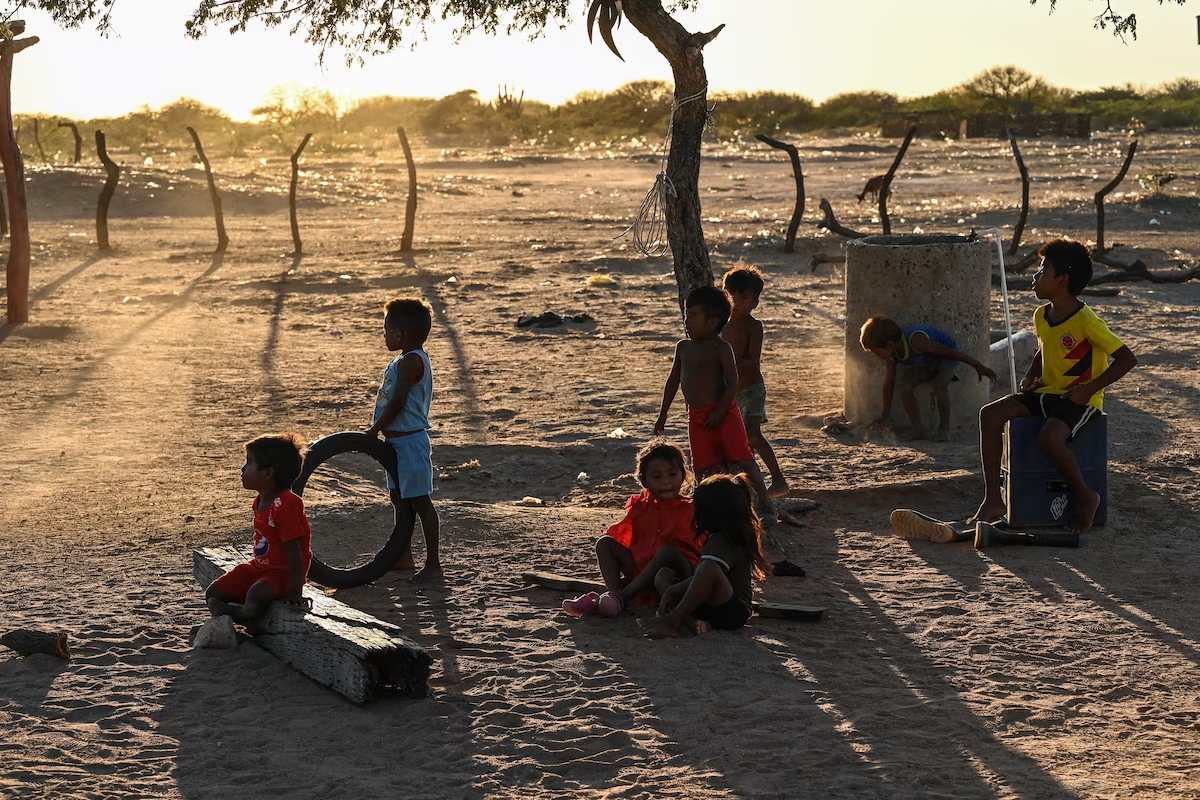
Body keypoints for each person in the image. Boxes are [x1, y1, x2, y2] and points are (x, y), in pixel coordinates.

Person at [971, 239, 1137, 534]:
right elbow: (1043, 350)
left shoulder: (1088, 321)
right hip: (1047, 393)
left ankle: (1086, 496)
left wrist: (1089, 389)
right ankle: (994, 499)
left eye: (1043, 269)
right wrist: (1032, 376)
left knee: (1049, 438)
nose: (1035, 276)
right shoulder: (1041, 316)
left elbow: (1126, 359)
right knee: (990, 414)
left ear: (1063, 280)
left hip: (1080, 400)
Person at [654, 285, 775, 520]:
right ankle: (705, 510)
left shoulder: (721, 348)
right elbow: (672, 382)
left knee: (743, 459)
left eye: (693, 316)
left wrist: (720, 411)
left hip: (725, 414)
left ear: (712, 322)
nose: (687, 321)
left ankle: (765, 502)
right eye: (686, 315)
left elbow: (732, 382)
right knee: (701, 467)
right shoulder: (683, 348)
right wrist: (663, 414)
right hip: (697, 417)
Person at [561, 440, 702, 618]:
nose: (666, 482)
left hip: (672, 578)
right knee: (604, 543)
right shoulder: (641, 507)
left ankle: (622, 597)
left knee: (666, 554)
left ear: (683, 475)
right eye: (657, 477)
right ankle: (614, 597)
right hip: (642, 573)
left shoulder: (691, 508)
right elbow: (628, 540)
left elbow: (696, 553)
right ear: (644, 481)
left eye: (672, 474)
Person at [365, 296, 442, 583]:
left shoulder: (412, 362)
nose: (383, 335)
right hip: (396, 443)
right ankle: (404, 555)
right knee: (398, 499)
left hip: (410, 443)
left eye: (386, 330)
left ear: (401, 334)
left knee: (420, 502)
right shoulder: (402, 359)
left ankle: (433, 563)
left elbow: (397, 404)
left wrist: (374, 430)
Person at [640, 474, 772, 639]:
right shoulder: (715, 536)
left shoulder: (727, 539)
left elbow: (710, 573)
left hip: (733, 611)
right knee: (663, 575)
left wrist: (676, 589)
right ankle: (691, 622)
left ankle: (673, 621)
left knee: (707, 567)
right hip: (709, 603)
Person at [206, 434, 312, 625]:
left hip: (283, 575)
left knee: (256, 594)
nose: (242, 469)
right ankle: (236, 611)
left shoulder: (286, 504)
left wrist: (296, 591)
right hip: (260, 567)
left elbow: (294, 551)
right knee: (214, 591)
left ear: (267, 473)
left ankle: (241, 616)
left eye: (248, 464)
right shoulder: (262, 499)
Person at [859, 316, 998, 440]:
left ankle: (944, 429)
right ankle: (918, 430)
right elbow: (889, 383)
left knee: (939, 385)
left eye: (877, 352)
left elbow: (950, 352)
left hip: (946, 358)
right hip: (927, 363)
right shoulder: (892, 354)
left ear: (889, 344)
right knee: (905, 386)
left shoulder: (917, 341)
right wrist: (885, 415)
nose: (877, 356)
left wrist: (978, 366)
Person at [721, 266, 789, 498]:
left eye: (743, 296)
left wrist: (728, 361)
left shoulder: (753, 326)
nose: (736, 301)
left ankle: (779, 480)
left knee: (753, 434)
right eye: (732, 295)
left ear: (755, 302)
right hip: (731, 392)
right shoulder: (722, 326)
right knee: (737, 442)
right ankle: (748, 486)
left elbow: (752, 359)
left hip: (752, 389)